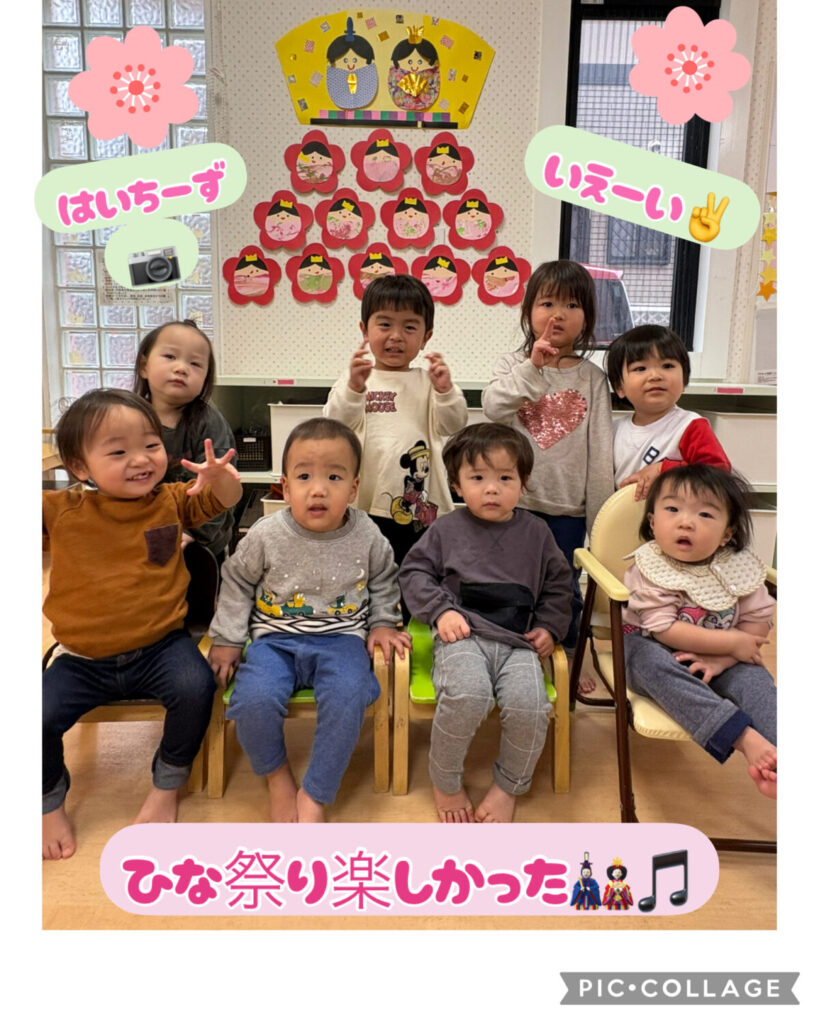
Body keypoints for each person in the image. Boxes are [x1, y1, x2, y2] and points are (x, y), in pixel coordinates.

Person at [42, 389, 242, 860]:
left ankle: (166, 786)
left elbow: (223, 499)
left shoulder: (170, 500)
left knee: (197, 688)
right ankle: (48, 803)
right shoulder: (60, 509)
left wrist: (222, 479)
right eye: (118, 452)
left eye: (150, 445)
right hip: (81, 658)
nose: (140, 459)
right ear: (80, 466)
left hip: (160, 646)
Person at [207, 418, 411, 823]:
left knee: (351, 695)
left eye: (334, 477)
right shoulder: (266, 533)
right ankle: (277, 777)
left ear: (353, 488)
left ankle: (316, 791)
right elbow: (237, 581)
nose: (318, 489)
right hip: (273, 641)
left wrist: (384, 622)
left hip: (342, 640)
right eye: (304, 477)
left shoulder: (367, 534)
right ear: (285, 488)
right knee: (252, 701)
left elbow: (385, 579)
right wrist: (227, 638)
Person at [399, 423, 573, 823]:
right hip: (463, 637)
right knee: (468, 695)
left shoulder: (537, 532)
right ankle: (445, 781)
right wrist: (441, 611)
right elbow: (414, 573)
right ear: (457, 486)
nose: (491, 489)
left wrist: (549, 626)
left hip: (519, 643)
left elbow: (559, 586)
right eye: (477, 478)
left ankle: (509, 785)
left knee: (531, 706)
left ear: (523, 483)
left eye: (505, 478)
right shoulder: (445, 528)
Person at [481, 259, 614, 667]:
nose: (558, 314)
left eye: (572, 305)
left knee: (564, 587)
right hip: (515, 503)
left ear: (587, 318)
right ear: (528, 312)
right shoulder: (512, 366)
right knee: (513, 582)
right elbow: (493, 408)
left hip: (567, 510)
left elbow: (601, 452)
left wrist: (599, 525)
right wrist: (532, 367)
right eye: (547, 303)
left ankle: (569, 657)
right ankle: (513, 654)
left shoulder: (592, 378)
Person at [623, 464, 776, 799]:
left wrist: (724, 658)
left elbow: (757, 622)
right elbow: (663, 629)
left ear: (727, 533)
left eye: (705, 514)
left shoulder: (738, 567)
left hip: (725, 657)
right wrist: (732, 642)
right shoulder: (650, 567)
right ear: (653, 522)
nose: (686, 522)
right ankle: (740, 735)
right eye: (672, 509)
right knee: (647, 662)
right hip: (654, 647)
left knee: (756, 682)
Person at [324, 273, 468, 570]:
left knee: (419, 569)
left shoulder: (429, 382)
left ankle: (416, 599)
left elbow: (453, 425)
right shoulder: (357, 379)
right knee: (368, 569)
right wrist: (353, 389)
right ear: (365, 330)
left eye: (410, 327)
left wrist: (445, 391)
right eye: (385, 324)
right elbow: (335, 426)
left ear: (426, 337)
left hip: (418, 503)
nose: (396, 336)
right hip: (365, 499)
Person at [134, 318, 237, 561]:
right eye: (170, 357)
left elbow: (220, 489)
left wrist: (193, 534)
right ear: (144, 366)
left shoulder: (208, 423)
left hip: (199, 541)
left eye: (195, 363)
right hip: (140, 531)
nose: (181, 368)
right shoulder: (127, 418)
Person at [606, 325, 730, 501]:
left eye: (667, 365)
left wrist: (663, 469)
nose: (655, 376)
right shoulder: (614, 430)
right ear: (619, 387)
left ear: (684, 380)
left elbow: (720, 473)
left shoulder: (690, 426)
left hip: (676, 515)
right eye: (640, 368)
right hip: (624, 515)